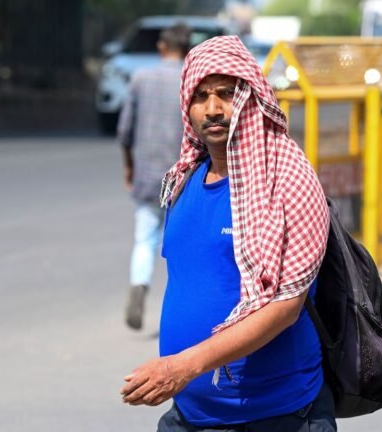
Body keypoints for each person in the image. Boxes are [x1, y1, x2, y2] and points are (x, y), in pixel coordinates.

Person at [119, 36, 336, 431]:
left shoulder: (287, 180)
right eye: (201, 96)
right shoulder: (185, 180)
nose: (213, 109)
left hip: (276, 417)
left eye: (226, 94)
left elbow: (286, 306)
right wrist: (181, 372)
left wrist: (184, 366)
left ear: (251, 97)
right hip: (191, 415)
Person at [118, 23, 192, 330]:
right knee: (181, 243)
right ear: (187, 49)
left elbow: (125, 130)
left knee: (145, 238)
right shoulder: (190, 81)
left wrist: (129, 167)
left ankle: (139, 285)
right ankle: (181, 309)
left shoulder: (140, 78)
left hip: (147, 176)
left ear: (162, 46)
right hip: (184, 179)